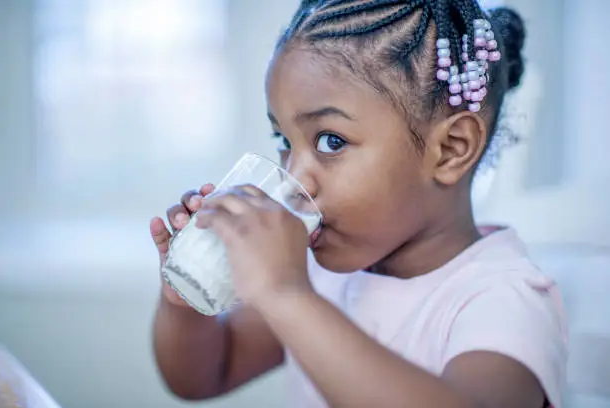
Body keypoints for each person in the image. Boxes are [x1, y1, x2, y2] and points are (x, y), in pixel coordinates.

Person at [150, 1, 568, 407]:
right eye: (284, 142)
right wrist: (185, 303)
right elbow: (206, 375)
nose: (295, 178)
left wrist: (288, 295)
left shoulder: (503, 298)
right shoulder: (317, 274)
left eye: (331, 141)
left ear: (450, 150)